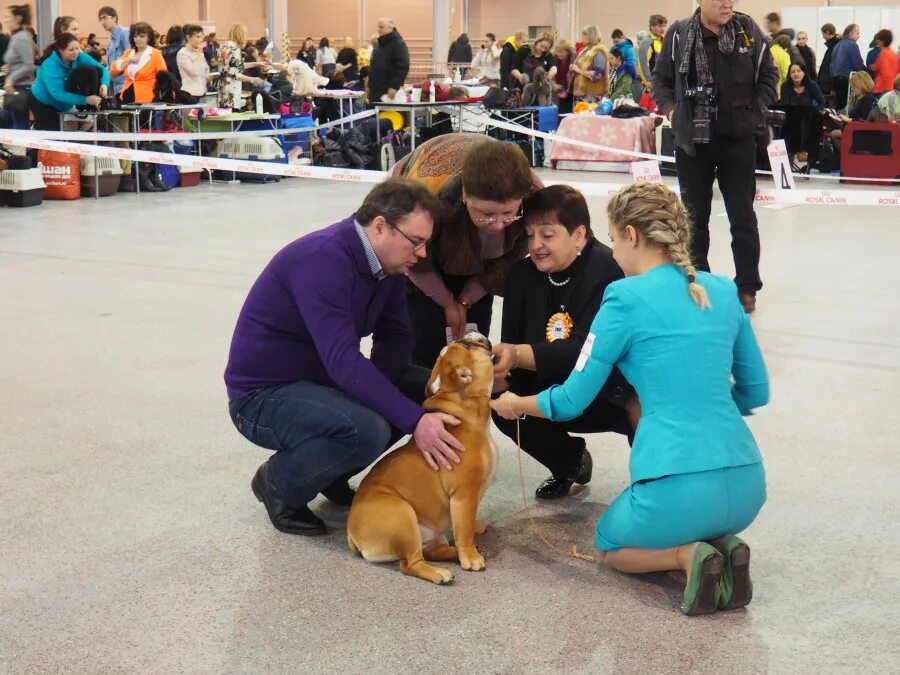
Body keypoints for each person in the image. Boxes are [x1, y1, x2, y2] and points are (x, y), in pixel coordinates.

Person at [492, 182, 769, 617]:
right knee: (698, 512)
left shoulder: (622, 297)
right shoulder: (721, 290)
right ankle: (723, 541)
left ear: (633, 236)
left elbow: (568, 402)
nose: (613, 250)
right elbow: (757, 391)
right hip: (750, 485)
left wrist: (514, 405)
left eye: (615, 236)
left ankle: (685, 555)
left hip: (676, 486)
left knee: (610, 545)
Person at [225, 178, 466, 536]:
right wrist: (413, 421)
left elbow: (397, 335)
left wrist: (395, 401)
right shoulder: (323, 259)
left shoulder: (387, 267)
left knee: (426, 389)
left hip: (320, 381)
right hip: (262, 397)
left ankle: (331, 470)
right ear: (380, 226)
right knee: (367, 428)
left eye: (426, 244)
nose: (422, 254)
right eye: (416, 242)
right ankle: (278, 484)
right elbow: (342, 359)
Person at [490, 185, 636, 499]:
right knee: (504, 407)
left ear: (579, 234)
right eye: (530, 235)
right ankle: (569, 462)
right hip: (548, 389)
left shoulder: (610, 269)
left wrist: (515, 354)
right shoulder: (520, 276)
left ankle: (655, 485)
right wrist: (499, 376)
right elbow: (511, 343)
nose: (536, 245)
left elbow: (587, 350)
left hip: (609, 393)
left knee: (648, 408)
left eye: (547, 234)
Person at [652, 0, 778, 314]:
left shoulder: (747, 31)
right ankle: (698, 282)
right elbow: (660, 80)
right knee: (694, 219)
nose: (727, 4)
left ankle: (747, 287)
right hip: (693, 144)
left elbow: (768, 76)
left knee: (743, 217)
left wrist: (756, 111)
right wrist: (672, 110)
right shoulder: (680, 34)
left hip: (738, 140)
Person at [390, 134, 540, 368]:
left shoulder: (535, 199)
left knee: (475, 345)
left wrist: (465, 301)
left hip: (481, 268)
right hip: (423, 257)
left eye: (509, 213)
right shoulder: (425, 198)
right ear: (465, 194)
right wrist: (447, 302)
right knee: (425, 343)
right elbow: (413, 258)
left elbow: (506, 262)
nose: (499, 225)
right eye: (486, 213)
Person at [29, 32, 109, 130]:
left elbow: (102, 69)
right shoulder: (50, 65)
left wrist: (104, 84)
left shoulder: (79, 56)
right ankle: (32, 134)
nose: (75, 52)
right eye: (71, 50)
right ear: (60, 50)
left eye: (77, 48)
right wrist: (86, 99)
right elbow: (58, 94)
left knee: (67, 131)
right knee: (50, 134)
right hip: (43, 102)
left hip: (64, 102)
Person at [109, 22, 166, 105]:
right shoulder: (129, 53)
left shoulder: (155, 54)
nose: (138, 39)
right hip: (127, 97)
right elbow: (113, 69)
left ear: (148, 38)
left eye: (142, 36)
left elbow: (164, 77)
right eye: (135, 36)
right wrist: (129, 60)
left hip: (148, 100)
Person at [2, 4, 37, 130]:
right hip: (15, 87)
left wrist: (11, 78)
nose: (4, 20)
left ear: (17, 18)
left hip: (20, 88)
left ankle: (28, 149)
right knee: (11, 124)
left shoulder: (21, 37)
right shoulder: (16, 36)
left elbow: (29, 65)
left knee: (19, 127)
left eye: (7, 17)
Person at [216, 22, 264, 109]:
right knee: (232, 115)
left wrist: (256, 64)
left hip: (222, 86)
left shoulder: (223, 46)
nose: (246, 36)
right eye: (245, 33)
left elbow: (236, 66)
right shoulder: (235, 49)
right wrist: (253, 79)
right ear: (240, 34)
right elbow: (234, 74)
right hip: (231, 88)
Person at [830, 71, 878, 156]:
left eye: (854, 86)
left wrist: (848, 119)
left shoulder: (866, 100)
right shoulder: (868, 99)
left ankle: (846, 158)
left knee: (833, 134)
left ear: (859, 85)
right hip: (859, 130)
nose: (853, 88)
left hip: (860, 133)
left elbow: (866, 121)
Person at [367, 17, 409, 103]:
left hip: (389, 92)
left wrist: (394, 86)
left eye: (381, 27)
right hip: (375, 91)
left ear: (390, 27)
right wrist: (369, 86)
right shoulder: (379, 44)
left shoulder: (398, 43)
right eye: (378, 27)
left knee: (388, 115)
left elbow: (403, 66)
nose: (378, 29)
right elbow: (373, 67)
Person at [570, 25, 610, 104]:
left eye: (584, 35)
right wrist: (573, 68)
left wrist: (579, 70)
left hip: (592, 95)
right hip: (580, 94)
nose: (582, 38)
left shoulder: (599, 51)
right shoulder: (584, 51)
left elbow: (598, 74)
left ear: (590, 37)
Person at [830, 24, 864, 110]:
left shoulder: (837, 45)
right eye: (857, 33)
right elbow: (858, 65)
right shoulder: (852, 45)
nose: (859, 36)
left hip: (836, 80)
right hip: (847, 81)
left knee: (839, 107)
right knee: (847, 108)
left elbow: (831, 65)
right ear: (851, 33)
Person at [99, 6, 130, 97]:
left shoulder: (125, 33)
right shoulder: (110, 40)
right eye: (100, 19)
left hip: (126, 86)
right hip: (115, 87)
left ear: (114, 18)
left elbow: (130, 58)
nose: (102, 22)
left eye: (104, 18)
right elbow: (110, 65)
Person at [177, 24, 210, 100]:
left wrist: (208, 76)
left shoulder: (198, 52)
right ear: (188, 37)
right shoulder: (182, 53)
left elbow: (206, 68)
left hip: (202, 92)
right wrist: (199, 53)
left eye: (201, 37)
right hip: (190, 94)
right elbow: (194, 72)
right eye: (197, 37)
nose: (201, 39)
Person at [637, 14, 667, 95]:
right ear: (652, 26)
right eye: (660, 26)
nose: (663, 29)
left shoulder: (664, 40)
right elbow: (642, 64)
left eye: (664, 26)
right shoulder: (647, 42)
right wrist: (649, 83)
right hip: (652, 87)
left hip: (663, 85)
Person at [870, 30, 899, 95]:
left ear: (882, 41)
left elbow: (882, 70)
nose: (877, 41)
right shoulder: (894, 54)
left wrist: (872, 67)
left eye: (878, 39)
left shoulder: (883, 54)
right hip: (893, 87)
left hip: (883, 88)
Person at [818, 23, 841, 102]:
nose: (823, 36)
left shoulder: (834, 46)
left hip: (828, 85)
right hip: (827, 84)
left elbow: (833, 68)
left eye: (823, 34)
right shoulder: (835, 45)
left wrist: (832, 87)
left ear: (827, 32)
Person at [552, 39, 574, 113]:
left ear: (568, 52)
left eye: (561, 52)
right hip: (557, 93)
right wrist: (553, 85)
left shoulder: (572, 61)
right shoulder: (555, 60)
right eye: (557, 52)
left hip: (570, 93)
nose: (558, 54)